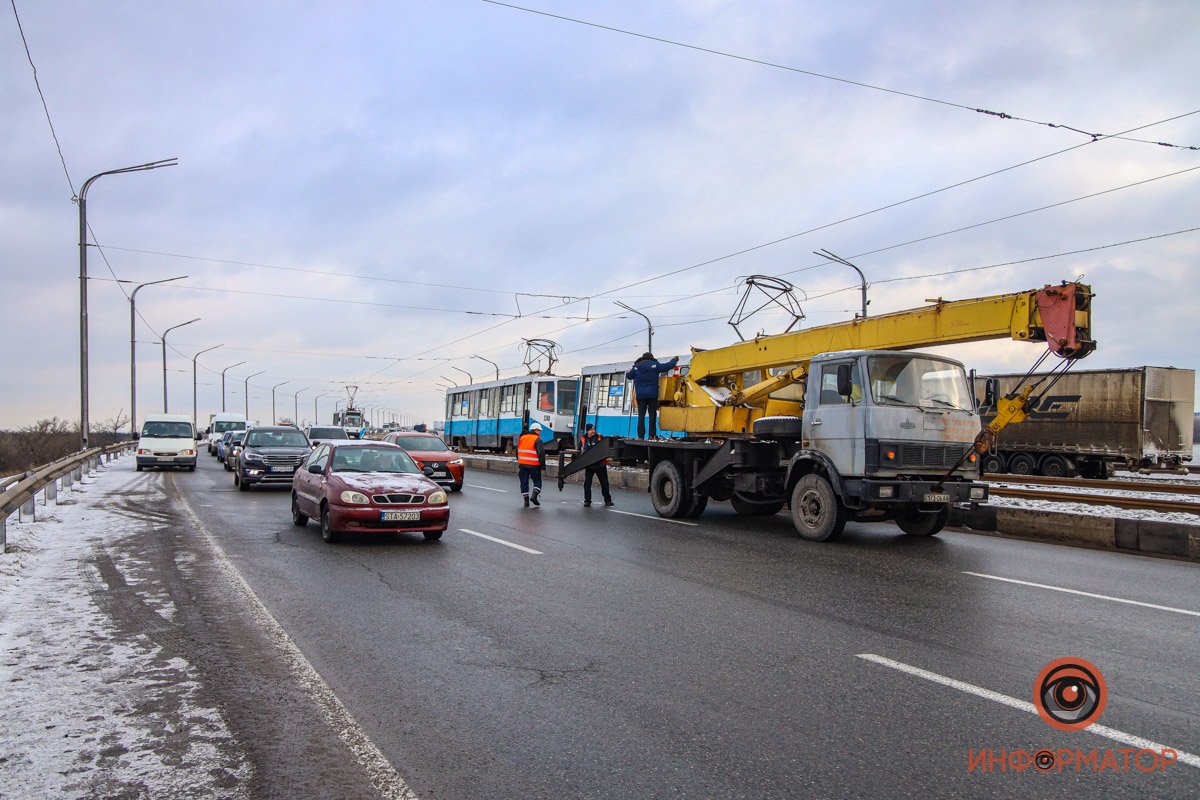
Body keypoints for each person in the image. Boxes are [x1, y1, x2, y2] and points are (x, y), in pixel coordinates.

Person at [626, 351, 679, 439]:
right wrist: (674, 360)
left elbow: (629, 376)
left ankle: (641, 436)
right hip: (652, 395)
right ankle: (651, 435)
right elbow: (667, 366)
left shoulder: (636, 367)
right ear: (651, 358)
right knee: (652, 416)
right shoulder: (655, 365)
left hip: (641, 396)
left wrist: (629, 372)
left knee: (641, 416)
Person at [578, 423, 612, 507]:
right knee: (587, 484)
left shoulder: (599, 437)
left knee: (604, 483)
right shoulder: (583, 439)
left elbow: (608, 444)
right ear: (587, 431)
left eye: (593, 429)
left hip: (600, 464)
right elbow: (579, 451)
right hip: (589, 465)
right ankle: (587, 501)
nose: (593, 431)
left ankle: (608, 500)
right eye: (591, 430)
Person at [517, 422, 547, 507]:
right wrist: (543, 466)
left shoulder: (522, 438)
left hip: (522, 465)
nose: (540, 432)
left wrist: (520, 460)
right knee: (537, 481)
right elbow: (541, 454)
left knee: (524, 482)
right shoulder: (538, 439)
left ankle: (526, 501)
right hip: (534, 465)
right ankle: (534, 496)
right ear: (535, 430)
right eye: (539, 430)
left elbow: (517, 451)